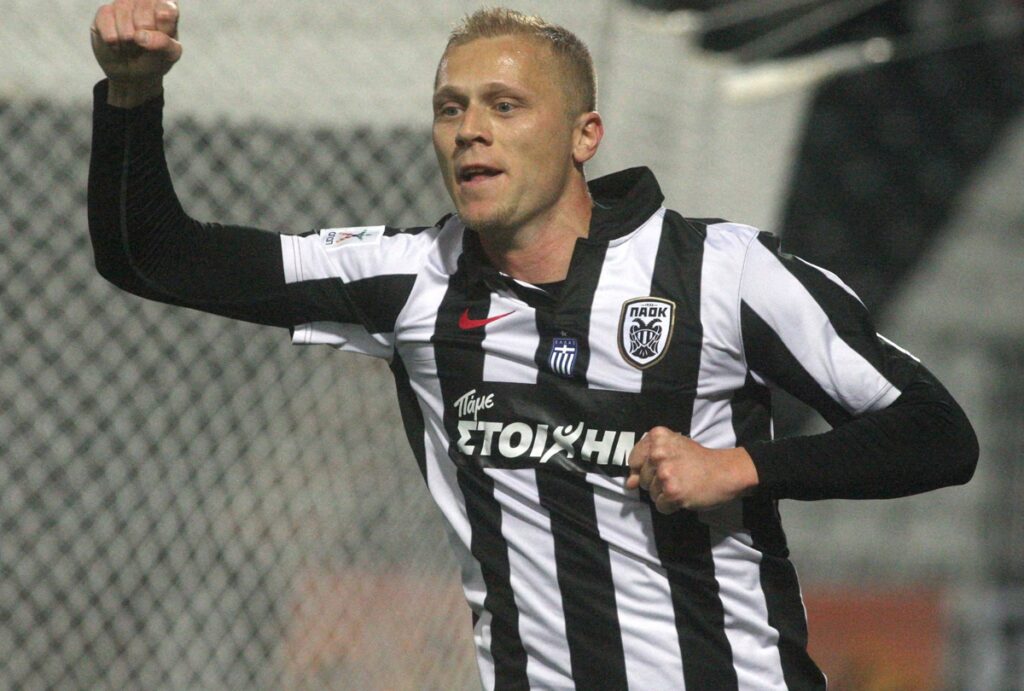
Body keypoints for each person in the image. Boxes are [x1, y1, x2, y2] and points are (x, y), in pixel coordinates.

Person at [88, 2, 978, 688]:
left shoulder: (725, 270)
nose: (469, 129)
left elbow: (938, 433)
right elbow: (153, 256)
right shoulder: (412, 277)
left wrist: (740, 468)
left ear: (584, 135)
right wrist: (130, 94)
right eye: (450, 108)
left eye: (504, 105)